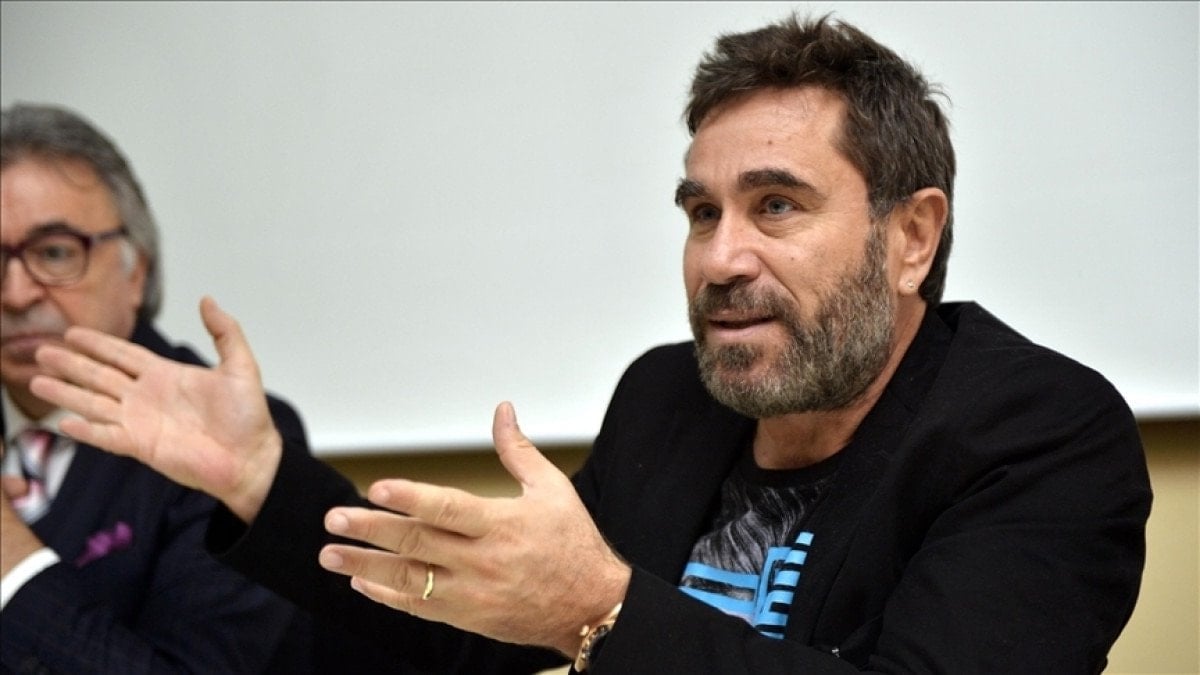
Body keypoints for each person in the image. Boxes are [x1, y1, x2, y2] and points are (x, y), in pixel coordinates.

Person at [28, 13, 1151, 674]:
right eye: (701, 212)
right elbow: (466, 637)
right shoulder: (670, 401)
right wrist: (261, 481)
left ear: (911, 237)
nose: (719, 258)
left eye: (776, 205)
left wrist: (600, 609)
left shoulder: (1043, 436)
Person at [0, 103, 315, 673]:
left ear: (135, 271)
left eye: (55, 253)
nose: (17, 294)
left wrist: (8, 553)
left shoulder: (235, 442)